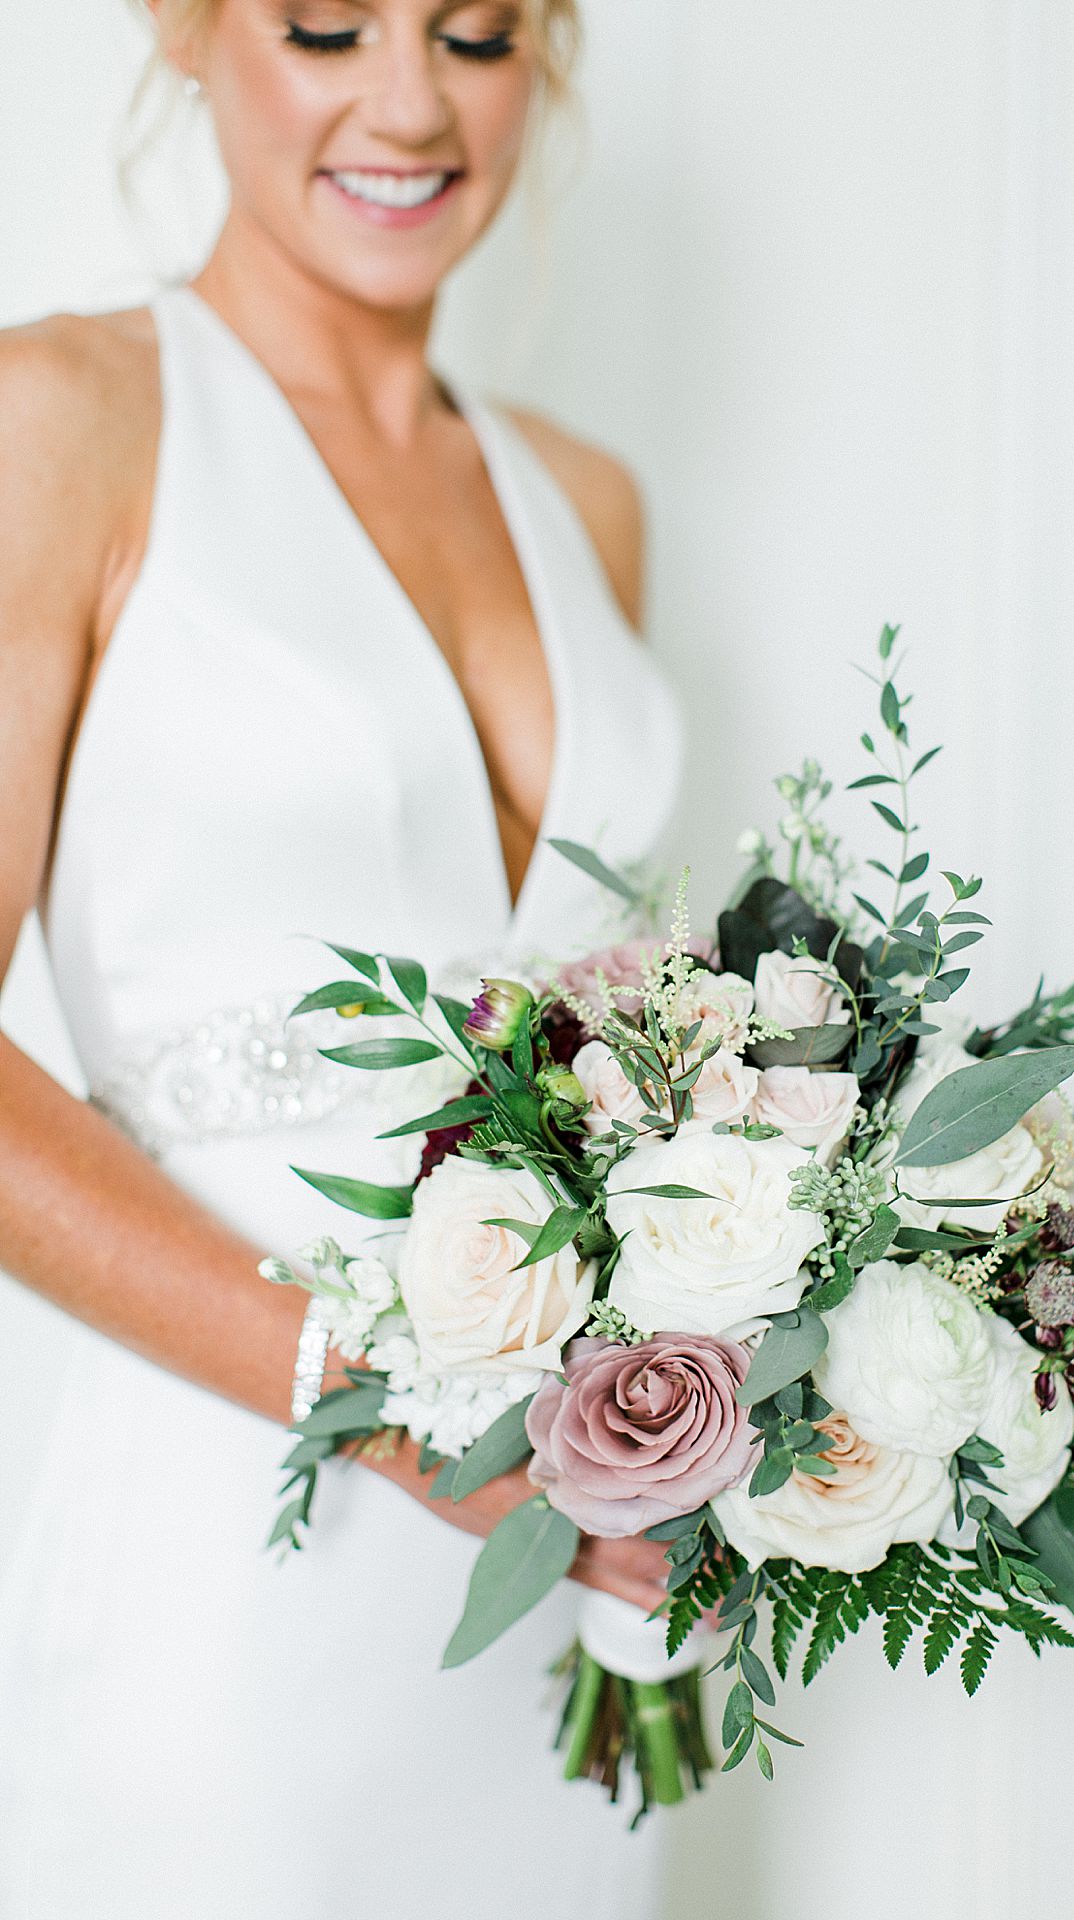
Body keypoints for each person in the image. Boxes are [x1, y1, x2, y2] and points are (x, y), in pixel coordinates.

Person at [0, 4, 685, 1914]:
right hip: (235, 1550)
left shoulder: (588, 503)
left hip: (571, 1567)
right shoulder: (62, 420)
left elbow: (621, 1054)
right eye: (325, 25)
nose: (409, 103)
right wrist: (385, 1411)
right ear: (189, 32)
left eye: (473, 36)